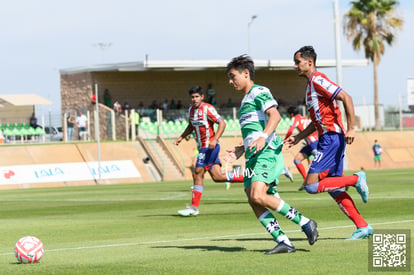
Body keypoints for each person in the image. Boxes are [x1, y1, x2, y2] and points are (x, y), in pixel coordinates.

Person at [225, 55, 318, 254]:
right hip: (252, 157)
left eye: (233, 76)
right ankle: (284, 240)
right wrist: (241, 149)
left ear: (246, 73)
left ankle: (306, 222)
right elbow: (253, 133)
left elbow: (275, 116)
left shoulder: (259, 91)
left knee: (258, 195)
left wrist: (263, 137)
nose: (230, 81)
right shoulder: (244, 103)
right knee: (252, 198)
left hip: (266, 152)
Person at [285, 46, 373, 240]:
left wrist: (351, 128)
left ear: (309, 62)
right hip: (329, 137)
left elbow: (346, 97)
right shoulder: (310, 86)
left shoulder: (317, 79)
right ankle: (363, 226)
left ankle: (357, 179)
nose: (295, 66)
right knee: (334, 188)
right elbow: (316, 121)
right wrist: (299, 137)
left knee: (310, 186)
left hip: (331, 138)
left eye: (297, 62)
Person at [174, 85, 244, 217]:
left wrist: (214, 139)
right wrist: (181, 137)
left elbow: (222, 123)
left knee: (198, 172)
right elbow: (191, 125)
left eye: (197, 97)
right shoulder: (191, 110)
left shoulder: (207, 109)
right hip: (203, 147)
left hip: (209, 147)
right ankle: (251, 179)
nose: (194, 99)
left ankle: (194, 208)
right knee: (218, 177)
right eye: (192, 97)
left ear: (202, 97)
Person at [284, 106, 318, 188]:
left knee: (324, 163)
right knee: (297, 159)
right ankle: (306, 181)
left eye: (288, 115)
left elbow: (290, 130)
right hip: (310, 143)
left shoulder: (295, 118)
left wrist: (285, 140)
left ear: (291, 114)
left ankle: (342, 178)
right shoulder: (305, 118)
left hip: (314, 143)